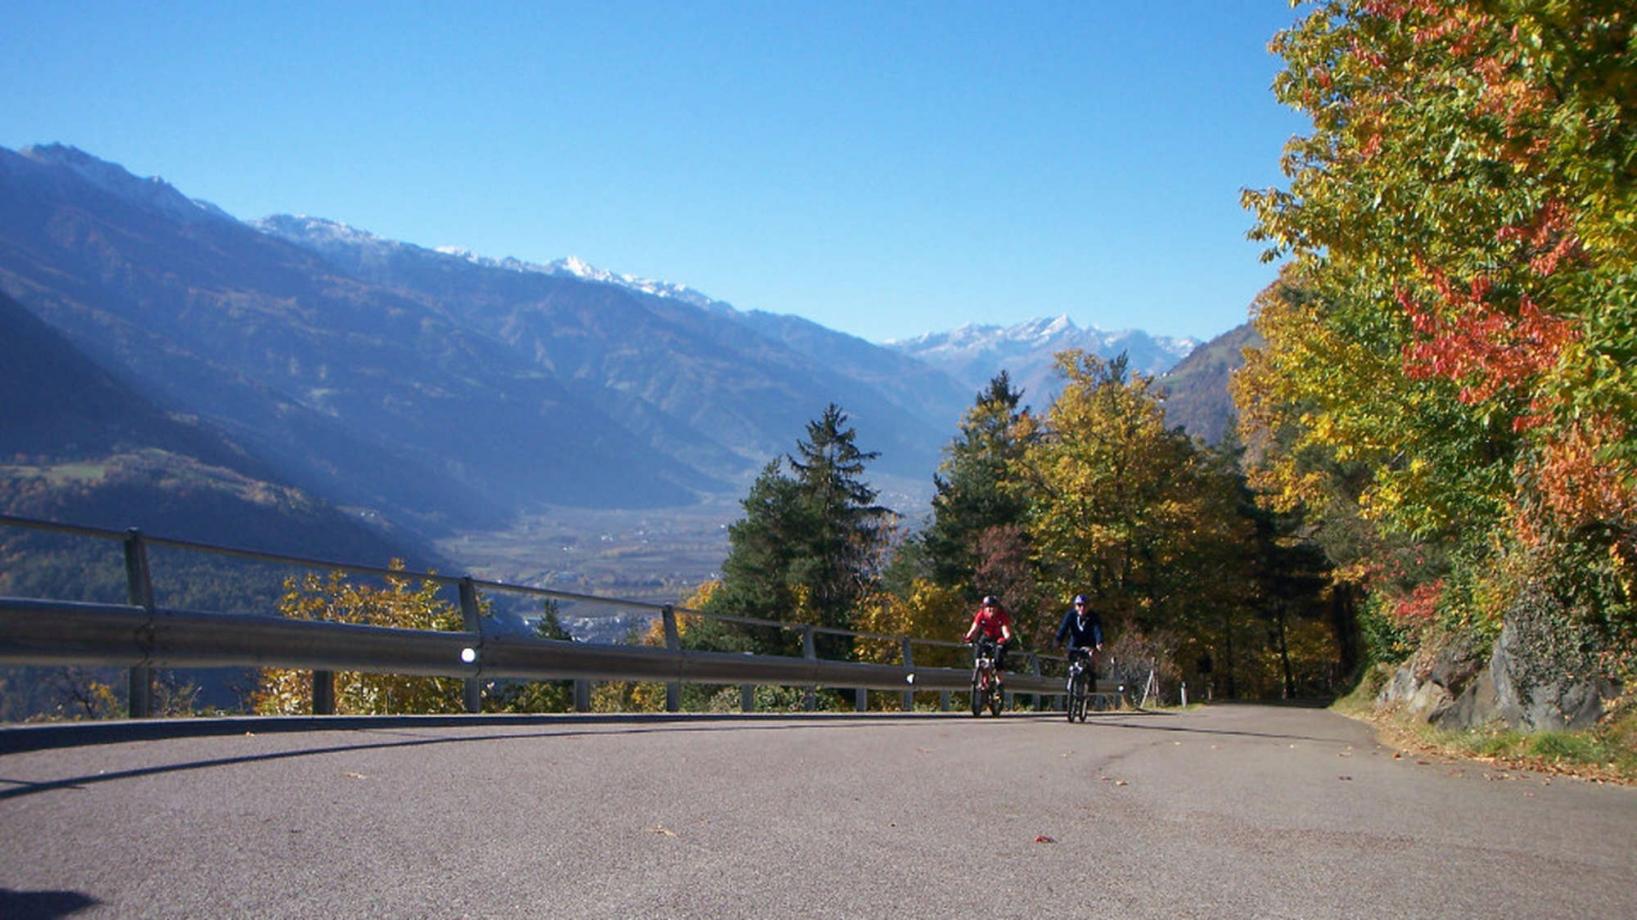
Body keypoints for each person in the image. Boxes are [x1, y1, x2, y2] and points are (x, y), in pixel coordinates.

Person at [963, 595, 1015, 687]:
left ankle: (999, 683)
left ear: (998, 608)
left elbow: (1006, 631)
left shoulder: (1002, 616)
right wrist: (968, 637)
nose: (991, 610)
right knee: (978, 653)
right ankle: (983, 678)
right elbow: (974, 629)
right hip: (987, 636)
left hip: (999, 638)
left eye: (994, 607)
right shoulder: (981, 615)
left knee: (998, 658)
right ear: (984, 608)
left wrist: (1005, 639)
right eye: (988, 607)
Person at [1054, 593, 1104, 675]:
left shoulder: (1093, 616)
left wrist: (1099, 642)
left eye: (1085, 605)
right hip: (1074, 644)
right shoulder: (1071, 615)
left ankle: (1091, 682)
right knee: (1072, 665)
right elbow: (1063, 628)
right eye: (1079, 605)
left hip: (1089, 644)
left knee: (1090, 665)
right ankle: (1071, 682)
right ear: (1075, 606)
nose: (1082, 608)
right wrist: (1058, 640)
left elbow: (1097, 630)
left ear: (1089, 606)